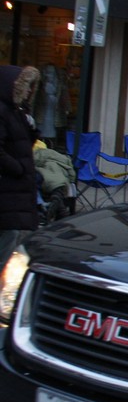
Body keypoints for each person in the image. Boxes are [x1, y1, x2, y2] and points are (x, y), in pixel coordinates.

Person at [0, 65, 41, 268]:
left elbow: (23, 144)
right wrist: (18, 169)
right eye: (26, 86)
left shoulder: (18, 112)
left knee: (16, 246)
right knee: (8, 243)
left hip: (19, 191)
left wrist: (32, 129)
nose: (29, 91)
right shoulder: (3, 111)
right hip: (9, 190)